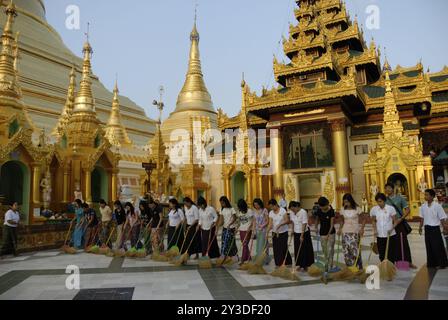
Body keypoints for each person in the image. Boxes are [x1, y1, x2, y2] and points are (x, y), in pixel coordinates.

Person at [385, 183, 416, 268]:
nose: (387, 190)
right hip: (389, 223)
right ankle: (394, 262)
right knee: (392, 243)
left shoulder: (400, 198)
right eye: (386, 188)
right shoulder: (385, 200)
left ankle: (408, 262)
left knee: (403, 242)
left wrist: (401, 218)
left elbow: (407, 209)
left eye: (389, 188)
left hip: (399, 223)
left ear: (393, 189)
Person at [418, 189, 448, 269]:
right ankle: (432, 263)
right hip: (427, 228)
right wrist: (420, 227)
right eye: (425, 195)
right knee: (429, 246)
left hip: (435, 228)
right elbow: (422, 218)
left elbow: (442, 218)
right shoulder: (423, 206)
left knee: (437, 246)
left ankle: (442, 263)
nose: (425, 196)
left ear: (432, 196)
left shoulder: (437, 206)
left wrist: (445, 228)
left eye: (427, 195)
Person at [338, 194, 365, 269]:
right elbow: (341, 220)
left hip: (355, 232)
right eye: (345, 201)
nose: (346, 203)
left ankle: (358, 267)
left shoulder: (357, 208)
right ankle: (350, 268)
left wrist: (362, 229)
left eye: (347, 201)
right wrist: (340, 229)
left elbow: (364, 219)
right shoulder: (342, 209)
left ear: (351, 201)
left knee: (355, 250)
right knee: (346, 250)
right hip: (345, 232)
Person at [370, 193, 399, 263]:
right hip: (380, 235)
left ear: (384, 201)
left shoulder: (390, 208)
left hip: (390, 235)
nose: (379, 203)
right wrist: (375, 230)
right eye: (377, 201)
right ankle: (383, 266)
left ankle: (391, 267)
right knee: (382, 253)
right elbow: (373, 221)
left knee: (391, 253)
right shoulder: (374, 209)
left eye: (380, 201)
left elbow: (395, 221)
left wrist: (392, 229)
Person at [289, 201, 314, 271]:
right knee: (297, 249)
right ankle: (299, 264)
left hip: (304, 232)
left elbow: (304, 223)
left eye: (293, 209)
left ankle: (306, 265)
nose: (292, 211)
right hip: (296, 232)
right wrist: (292, 230)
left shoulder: (303, 212)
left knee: (305, 249)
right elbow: (292, 222)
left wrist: (302, 235)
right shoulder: (291, 212)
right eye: (291, 210)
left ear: (297, 206)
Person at [268, 199, 292, 267]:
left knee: (283, 247)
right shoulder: (271, 213)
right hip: (275, 232)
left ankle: (287, 261)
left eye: (272, 207)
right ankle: (278, 263)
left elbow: (287, 220)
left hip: (283, 232)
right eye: (270, 207)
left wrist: (280, 224)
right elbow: (270, 224)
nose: (271, 208)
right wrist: (267, 231)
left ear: (275, 205)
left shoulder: (282, 210)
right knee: (276, 248)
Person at [315, 197, 336, 272]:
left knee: (330, 249)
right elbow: (317, 219)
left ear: (327, 204)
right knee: (325, 249)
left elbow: (332, 224)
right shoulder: (319, 211)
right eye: (321, 206)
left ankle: (330, 264)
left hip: (331, 233)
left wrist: (328, 234)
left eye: (324, 206)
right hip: (322, 232)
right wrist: (316, 227)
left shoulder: (331, 211)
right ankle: (326, 262)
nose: (323, 208)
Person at [252, 198, 270, 265]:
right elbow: (254, 221)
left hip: (263, 230)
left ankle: (264, 259)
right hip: (257, 230)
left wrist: (262, 226)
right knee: (258, 245)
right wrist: (253, 230)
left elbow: (267, 221)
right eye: (255, 205)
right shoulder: (254, 211)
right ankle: (260, 259)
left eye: (257, 205)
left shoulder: (264, 210)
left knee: (263, 245)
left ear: (260, 204)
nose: (256, 206)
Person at [236, 199, 254, 264]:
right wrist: (236, 228)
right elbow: (239, 221)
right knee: (244, 245)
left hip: (247, 230)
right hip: (241, 230)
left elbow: (253, 221)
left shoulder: (249, 211)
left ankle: (243, 260)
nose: (239, 208)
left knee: (245, 244)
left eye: (240, 207)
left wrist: (250, 227)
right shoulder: (239, 212)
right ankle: (249, 258)